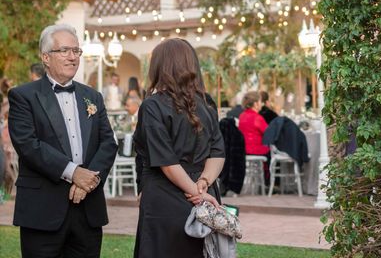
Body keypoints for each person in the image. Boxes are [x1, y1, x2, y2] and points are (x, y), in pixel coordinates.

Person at [8, 24, 118, 258]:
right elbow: (29, 145)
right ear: (46, 57)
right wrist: (73, 172)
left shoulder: (92, 96)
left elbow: (108, 143)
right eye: (65, 50)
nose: (72, 57)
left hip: (88, 210)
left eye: (76, 51)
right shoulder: (23, 96)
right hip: (42, 210)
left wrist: (88, 181)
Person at [133, 38, 225, 258]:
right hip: (203, 192)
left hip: (167, 196)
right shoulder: (207, 102)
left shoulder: (152, 105)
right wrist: (203, 185)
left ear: (159, 66)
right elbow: (218, 152)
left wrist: (198, 192)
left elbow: (166, 163)